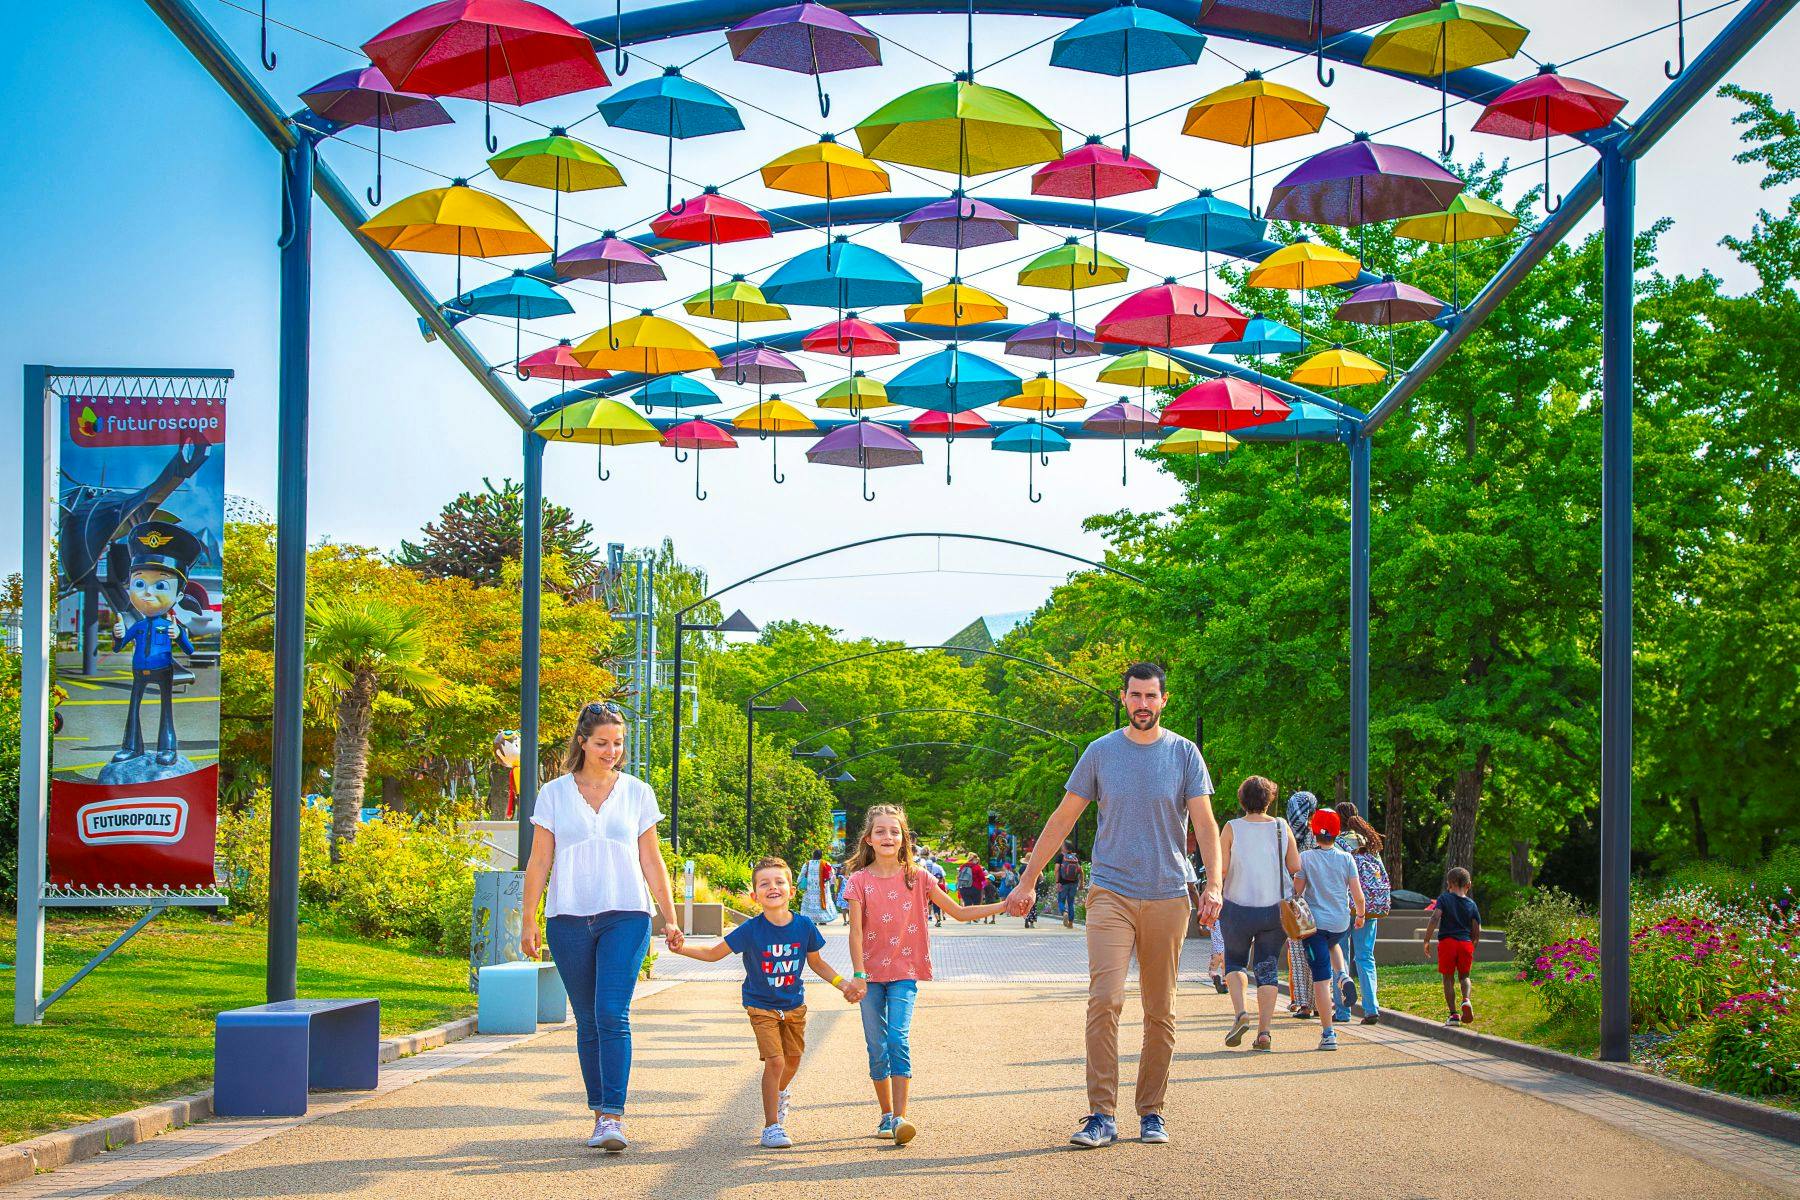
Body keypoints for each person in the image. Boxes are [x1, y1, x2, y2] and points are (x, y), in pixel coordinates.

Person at [1006, 662, 1221, 1149]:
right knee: (1105, 998)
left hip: (1169, 893)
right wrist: (1028, 879)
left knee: (1160, 1008)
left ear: (1164, 700)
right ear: (1122, 698)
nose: (1143, 704)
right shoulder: (1100, 753)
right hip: (1110, 892)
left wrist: (1215, 886)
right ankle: (1101, 1114)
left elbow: (1205, 826)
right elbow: (1064, 818)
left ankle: (1151, 1111)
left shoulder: (1185, 754)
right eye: (1134, 696)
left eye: (1151, 696)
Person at [521, 702, 682, 1154]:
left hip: (626, 914)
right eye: (603, 742)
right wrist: (528, 918)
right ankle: (599, 1114)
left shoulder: (637, 792)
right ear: (582, 742)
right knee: (588, 1019)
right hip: (568, 916)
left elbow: (651, 859)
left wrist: (669, 917)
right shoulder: (553, 793)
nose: (612, 751)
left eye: (618, 743)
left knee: (612, 1012)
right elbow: (539, 859)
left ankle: (613, 1115)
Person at [667, 856, 858, 1148]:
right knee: (776, 1060)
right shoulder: (751, 930)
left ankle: (778, 1094)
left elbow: (817, 963)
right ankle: (772, 1126)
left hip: (794, 1005)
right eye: (764, 883)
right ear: (755, 895)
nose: (773, 887)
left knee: (793, 1061)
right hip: (760, 1006)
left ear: (792, 891)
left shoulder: (804, 926)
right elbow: (714, 953)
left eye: (779, 882)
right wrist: (682, 951)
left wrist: (842, 984)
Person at [844, 804, 1004, 1145]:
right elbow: (855, 932)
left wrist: (1005, 905)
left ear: (903, 839)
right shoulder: (859, 881)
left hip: (905, 971)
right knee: (876, 1046)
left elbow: (959, 912)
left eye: (894, 831)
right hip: (869, 976)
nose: (887, 836)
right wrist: (858, 974)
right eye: (880, 831)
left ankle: (901, 1117)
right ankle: (886, 1114)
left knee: (897, 1039)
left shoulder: (918, 878)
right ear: (868, 840)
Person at [1217, 775, 1303, 1053]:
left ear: (1242, 799)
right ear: (1269, 800)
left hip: (1237, 907)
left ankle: (1241, 1013)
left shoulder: (1231, 828)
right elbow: (1295, 866)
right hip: (1273, 909)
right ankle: (1264, 1033)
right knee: (1266, 967)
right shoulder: (1281, 827)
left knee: (1235, 963)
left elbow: (1221, 870)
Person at [1297, 809, 1365, 1052]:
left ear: (1314, 832)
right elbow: (1357, 894)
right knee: (1334, 944)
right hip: (1340, 923)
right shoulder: (1347, 858)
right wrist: (1360, 915)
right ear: (1337, 832)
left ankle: (1328, 1034)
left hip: (1316, 925)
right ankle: (1344, 974)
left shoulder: (1306, 858)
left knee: (1321, 982)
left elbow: (1297, 890)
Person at [1335, 804, 1392, 1025]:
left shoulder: (1339, 842)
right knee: (1366, 957)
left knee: (1341, 958)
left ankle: (1342, 1011)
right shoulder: (1371, 841)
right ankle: (1371, 1007)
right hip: (1370, 907)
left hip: (1345, 906)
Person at [1422, 866, 1482, 1026]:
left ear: (1450, 884)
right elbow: (1476, 930)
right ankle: (1466, 1000)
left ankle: (1454, 1015)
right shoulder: (1472, 904)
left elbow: (1435, 917)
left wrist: (1426, 940)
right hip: (1465, 943)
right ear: (1468, 884)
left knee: (1448, 978)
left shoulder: (1444, 898)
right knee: (1465, 976)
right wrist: (1472, 946)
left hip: (1448, 943)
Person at [1283, 791, 1320, 1019]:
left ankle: (1302, 1002)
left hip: (1294, 899)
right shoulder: (1315, 834)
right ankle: (1318, 1001)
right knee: (1315, 953)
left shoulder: (1286, 834)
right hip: (1315, 899)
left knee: (1297, 953)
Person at [798, 849, 837, 925]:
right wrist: (831, 883)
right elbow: (832, 874)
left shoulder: (807, 863)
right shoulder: (825, 863)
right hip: (823, 888)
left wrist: (799, 882)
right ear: (821, 855)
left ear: (813, 855)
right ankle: (823, 920)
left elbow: (802, 874)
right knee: (822, 902)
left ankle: (813, 920)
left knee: (811, 903)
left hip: (810, 888)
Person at [1054, 840, 1084, 928]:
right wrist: (1081, 883)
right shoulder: (1075, 857)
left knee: (1061, 900)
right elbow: (1081, 871)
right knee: (1071, 903)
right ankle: (1070, 923)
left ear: (1064, 848)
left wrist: (1057, 882)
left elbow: (1056, 869)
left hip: (1063, 883)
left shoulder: (1060, 856)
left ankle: (1064, 912)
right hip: (1074, 883)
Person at [921, 849, 947, 927]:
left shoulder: (924, 865)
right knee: (938, 903)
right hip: (938, 885)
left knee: (928, 903)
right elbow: (943, 876)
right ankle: (940, 917)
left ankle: (929, 916)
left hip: (926, 886)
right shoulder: (939, 867)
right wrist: (944, 886)